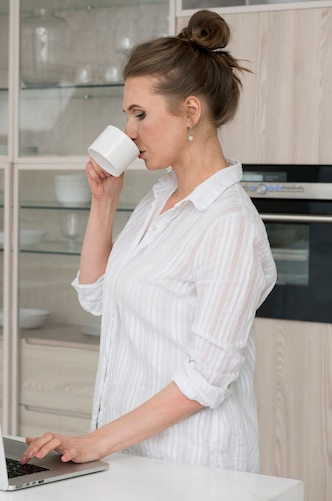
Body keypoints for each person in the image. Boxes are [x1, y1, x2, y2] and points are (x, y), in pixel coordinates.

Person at [20, 10, 276, 473]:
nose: (129, 132)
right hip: (130, 455)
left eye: (140, 114)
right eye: (127, 115)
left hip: (195, 467)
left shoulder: (228, 223)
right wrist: (104, 203)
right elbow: (96, 294)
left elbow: (207, 377)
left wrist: (95, 442)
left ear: (190, 112)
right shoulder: (157, 202)